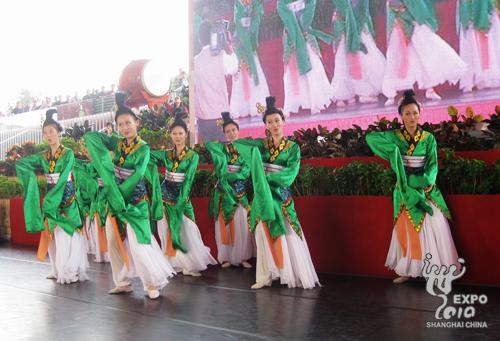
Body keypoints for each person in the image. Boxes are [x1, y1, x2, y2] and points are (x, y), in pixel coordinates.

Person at [83, 93, 175, 299]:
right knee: (113, 239)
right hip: (116, 201)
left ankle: (151, 283)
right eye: (120, 124)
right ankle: (122, 282)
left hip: (135, 202)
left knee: (139, 241)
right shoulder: (116, 143)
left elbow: (138, 176)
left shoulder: (143, 148)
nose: (125, 128)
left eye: (128, 123)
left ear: (137, 123)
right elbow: (91, 138)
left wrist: (119, 196)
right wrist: (119, 106)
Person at [366, 90, 460, 283]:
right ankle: (408, 269)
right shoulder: (394, 136)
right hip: (404, 188)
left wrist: (424, 181)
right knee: (405, 227)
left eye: (415, 113)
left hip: (425, 187)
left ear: (420, 113)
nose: (411, 117)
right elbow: (370, 138)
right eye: (407, 113)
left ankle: (435, 269)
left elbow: (432, 164)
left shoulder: (428, 138)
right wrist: (393, 152)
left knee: (433, 225)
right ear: (400, 115)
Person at [233, 96, 320, 289]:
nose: (274, 125)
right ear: (265, 125)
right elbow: (240, 146)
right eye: (269, 122)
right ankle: (265, 276)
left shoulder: (292, 148)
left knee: (286, 232)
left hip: (280, 195)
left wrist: (268, 179)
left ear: (283, 121)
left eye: (277, 121)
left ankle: (290, 272)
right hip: (263, 197)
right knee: (262, 235)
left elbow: (290, 173)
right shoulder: (260, 146)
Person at [16, 109, 88, 284]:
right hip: (51, 197)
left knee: (67, 234)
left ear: (58, 132)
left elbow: (63, 178)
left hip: (66, 199)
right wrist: (20, 165)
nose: (49, 135)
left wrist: (52, 200)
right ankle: (56, 269)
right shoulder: (43, 157)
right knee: (52, 235)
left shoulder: (68, 153)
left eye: (51, 131)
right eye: (45, 132)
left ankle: (70, 270)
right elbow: (23, 163)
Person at [151, 113, 217, 276]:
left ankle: (190, 263)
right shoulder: (166, 154)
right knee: (166, 229)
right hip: (165, 196)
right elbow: (148, 156)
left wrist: (181, 199)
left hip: (181, 196)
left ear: (186, 134)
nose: (178, 137)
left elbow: (188, 180)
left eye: (181, 133)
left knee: (188, 229)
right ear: (171, 135)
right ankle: (172, 262)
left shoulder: (192, 156)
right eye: (174, 134)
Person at [382, 0, 467, 105]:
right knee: (396, 59)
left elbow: (419, 8)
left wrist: (421, 21)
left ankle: (429, 89)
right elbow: (392, 9)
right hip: (399, 26)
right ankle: (391, 94)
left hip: (414, 24)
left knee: (425, 56)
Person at [206, 112, 254, 268]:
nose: (231, 133)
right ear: (224, 134)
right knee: (224, 224)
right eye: (228, 131)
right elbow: (209, 145)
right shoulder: (221, 149)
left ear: (238, 131)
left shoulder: (246, 149)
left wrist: (229, 176)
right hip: (223, 193)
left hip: (239, 192)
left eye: (234, 130)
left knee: (241, 223)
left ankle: (243, 257)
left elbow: (246, 171)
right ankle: (226, 257)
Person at [277, 0, 333, 115]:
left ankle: (316, 102)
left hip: (305, 31)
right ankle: (294, 103)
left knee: (312, 67)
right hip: (292, 36)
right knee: (293, 72)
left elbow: (311, 4)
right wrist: (296, 31)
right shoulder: (281, 2)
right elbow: (285, 14)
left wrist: (304, 23)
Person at [330, 0, 386, 106]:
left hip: (350, 22)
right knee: (356, 59)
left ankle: (345, 95)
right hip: (349, 23)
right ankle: (361, 93)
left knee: (348, 60)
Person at [194, 20, 238, 141]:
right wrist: (230, 50)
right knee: (225, 155)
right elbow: (234, 68)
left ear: (199, 39)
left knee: (209, 156)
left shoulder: (195, 61)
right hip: (220, 116)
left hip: (203, 119)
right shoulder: (222, 56)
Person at [230, 0, 270, 118]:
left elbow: (256, 20)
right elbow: (237, 21)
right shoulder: (238, 5)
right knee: (241, 75)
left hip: (250, 41)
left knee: (254, 73)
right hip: (240, 43)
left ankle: (257, 107)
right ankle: (240, 108)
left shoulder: (255, 4)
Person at [457, 0, 500, 92]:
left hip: (483, 12)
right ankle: (472, 77)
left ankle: (487, 76)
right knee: (471, 45)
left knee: (485, 44)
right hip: (469, 13)